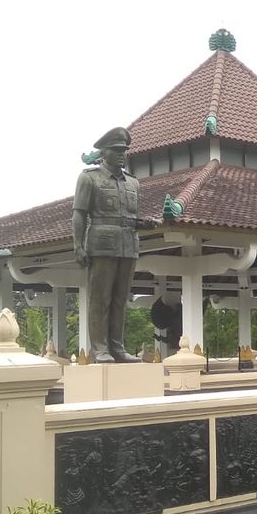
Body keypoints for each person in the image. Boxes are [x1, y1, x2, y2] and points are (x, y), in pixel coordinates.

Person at [73, 127, 157, 363]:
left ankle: (117, 347)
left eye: (124, 151)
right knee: (101, 298)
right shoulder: (90, 178)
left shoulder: (133, 183)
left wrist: (144, 224)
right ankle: (99, 348)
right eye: (117, 150)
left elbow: (128, 217)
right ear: (104, 152)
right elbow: (79, 214)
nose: (122, 154)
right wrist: (78, 245)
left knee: (121, 298)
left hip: (128, 244)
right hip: (101, 243)